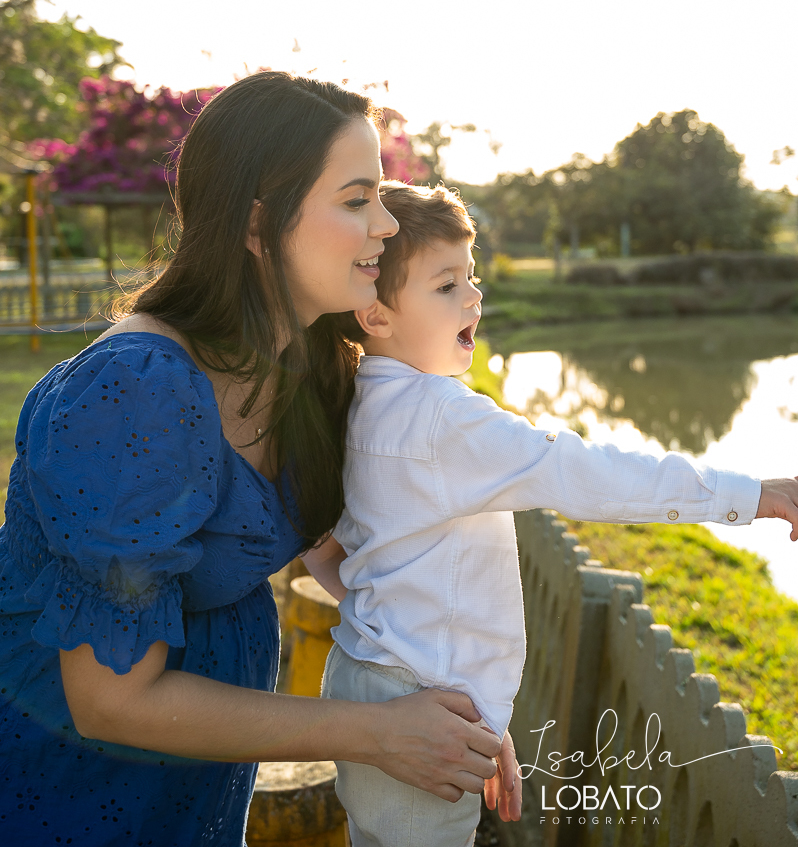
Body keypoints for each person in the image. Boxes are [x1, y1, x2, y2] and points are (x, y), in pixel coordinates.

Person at [0, 73, 512, 847]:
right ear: (257, 222)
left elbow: (353, 562)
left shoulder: (310, 364)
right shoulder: (134, 394)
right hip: (66, 799)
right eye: (356, 199)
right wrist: (378, 731)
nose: (385, 225)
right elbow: (111, 700)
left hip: (196, 804)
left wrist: (457, 710)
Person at [309, 180, 798, 847]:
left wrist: (474, 708)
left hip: (375, 688)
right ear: (376, 316)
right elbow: (580, 470)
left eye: (472, 276)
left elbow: (327, 551)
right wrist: (750, 493)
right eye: (446, 284)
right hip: (414, 704)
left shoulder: (360, 402)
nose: (474, 296)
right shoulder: (440, 417)